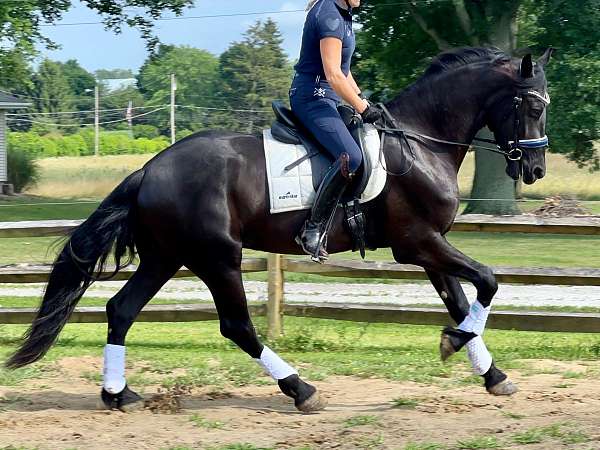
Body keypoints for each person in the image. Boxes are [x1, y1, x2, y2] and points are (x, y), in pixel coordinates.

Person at [290, 0, 382, 262]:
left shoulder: (344, 14)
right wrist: (362, 108)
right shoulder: (329, 14)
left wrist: (363, 99)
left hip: (329, 99)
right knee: (350, 156)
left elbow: (345, 71)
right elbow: (332, 75)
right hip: (311, 98)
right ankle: (312, 229)